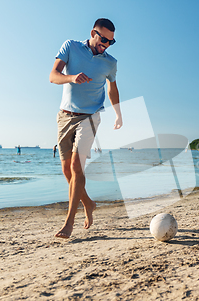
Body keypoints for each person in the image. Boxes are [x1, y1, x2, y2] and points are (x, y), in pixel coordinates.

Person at [49, 18, 122, 239]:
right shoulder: (70, 46)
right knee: (66, 170)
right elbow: (53, 76)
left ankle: (69, 222)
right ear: (93, 33)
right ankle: (89, 203)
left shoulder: (110, 62)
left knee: (76, 166)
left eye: (112, 41)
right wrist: (72, 77)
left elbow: (112, 89)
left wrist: (118, 113)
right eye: (104, 39)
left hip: (90, 117)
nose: (106, 45)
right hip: (65, 116)